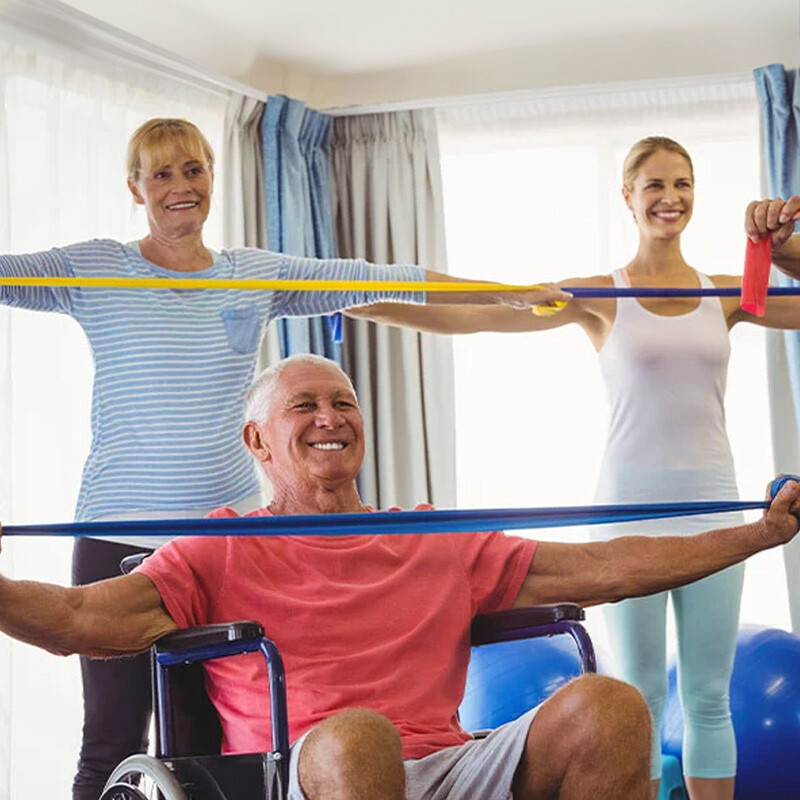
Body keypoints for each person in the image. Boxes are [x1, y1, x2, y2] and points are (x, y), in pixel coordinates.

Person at [0, 117, 567, 800]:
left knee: (206, 749)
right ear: (135, 187)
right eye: (161, 174)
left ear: (212, 177)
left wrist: (495, 292)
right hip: (115, 528)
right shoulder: (94, 267)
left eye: (194, 170)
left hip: (213, 545)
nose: (181, 187)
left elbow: (375, 280)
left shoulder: (252, 275)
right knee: (112, 738)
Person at [1, 354, 799, 800]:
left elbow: (606, 567)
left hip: (452, 764)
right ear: (258, 439)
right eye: (305, 405)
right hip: (309, 771)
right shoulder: (218, 548)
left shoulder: (429, 536)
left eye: (343, 402)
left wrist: (762, 534)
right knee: (360, 735)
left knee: (612, 708)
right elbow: (77, 620)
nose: (330, 417)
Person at [346, 136, 800, 800]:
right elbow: (477, 319)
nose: (670, 198)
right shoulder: (602, 295)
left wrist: (785, 248)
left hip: (715, 509)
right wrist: (354, 299)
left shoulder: (730, 292)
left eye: (683, 184)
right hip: (628, 509)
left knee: (707, 694)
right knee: (638, 692)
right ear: (627, 195)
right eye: (654, 185)